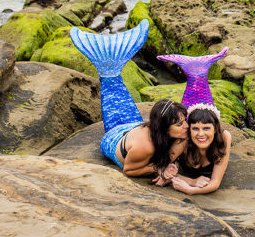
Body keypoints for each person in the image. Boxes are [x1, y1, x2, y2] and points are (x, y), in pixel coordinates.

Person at [69, 22, 187, 178]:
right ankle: (107, 67)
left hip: (133, 128)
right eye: (179, 124)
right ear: (164, 127)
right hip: (114, 138)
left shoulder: (172, 133)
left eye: (184, 121)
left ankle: (110, 68)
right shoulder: (145, 148)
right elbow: (129, 170)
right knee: (112, 92)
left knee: (116, 91)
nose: (186, 126)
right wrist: (158, 168)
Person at [170, 106, 232, 195]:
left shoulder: (224, 137)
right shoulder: (184, 140)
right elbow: (159, 168)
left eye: (206, 128)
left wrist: (190, 190)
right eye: (195, 128)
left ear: (215, 129)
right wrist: (191, 182)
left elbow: (215, 182)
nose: (201, 134)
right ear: (189, 130)